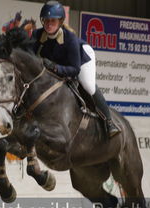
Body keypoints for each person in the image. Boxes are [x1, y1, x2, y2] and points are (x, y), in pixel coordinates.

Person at [32, 1, 120, 137]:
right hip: (60, 61)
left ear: (60, 21)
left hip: (82, 57)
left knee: (88, 85)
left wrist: (54, 67)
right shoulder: (37, 35)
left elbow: (74, 70)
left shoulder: (71, 39)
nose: (49, 24)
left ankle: (109, 122)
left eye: (53, 21)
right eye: (46, 20)